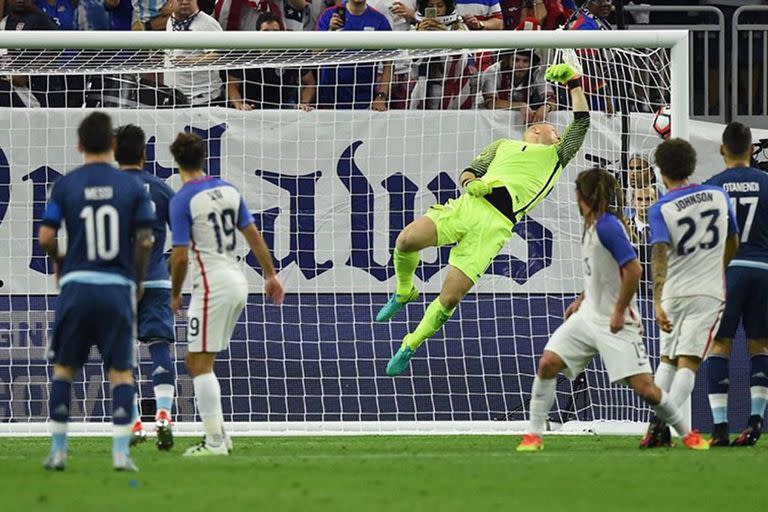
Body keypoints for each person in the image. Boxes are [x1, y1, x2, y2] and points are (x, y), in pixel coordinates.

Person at [377, 63, 589, 376]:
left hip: (495, 225)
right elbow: (469, 171)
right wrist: (469, 183)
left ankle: (411, 343)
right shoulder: (501, 146)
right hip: (468, 205)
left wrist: (574, 83)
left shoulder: (557, 155)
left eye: (553, 130)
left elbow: (581, 123)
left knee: (449, 298)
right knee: (406, 240)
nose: (549, 130)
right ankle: (404, 290)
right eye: (545, 128)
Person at [516, 168, 706, 452]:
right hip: (588, 316)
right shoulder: (592, 224)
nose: (576, 198)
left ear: (587, 195)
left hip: (616, 322)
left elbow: (633, 268)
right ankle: (534, 435)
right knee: (548, 363)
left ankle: (688, 434)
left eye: (578, 192)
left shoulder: (608, 226)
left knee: (646, 390)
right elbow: (602, 272)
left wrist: (618, 311)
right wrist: (582, 299)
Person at [39, 112, 155, 471]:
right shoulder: (133, 187)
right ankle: (120, 454)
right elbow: (146, 240)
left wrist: (61, 260)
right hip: (116, 287)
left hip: (76, 285)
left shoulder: (65, 185)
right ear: (113, 145)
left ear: (78, 145)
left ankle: (59, 451)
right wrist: (135, 280)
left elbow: (45, 237)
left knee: (63, 370)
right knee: (121, 372)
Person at [168, 132, 284, 456]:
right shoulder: (228, 189)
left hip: (211, 286)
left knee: (197, 362)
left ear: (176, 162)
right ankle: (220, 435)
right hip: (237, 280)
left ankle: (214, 442)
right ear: (203, 158)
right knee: (203, 359)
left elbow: (179, 257)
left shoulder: (182, 200)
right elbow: (253, 234)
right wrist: (270, 274)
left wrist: (174, 293)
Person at [641, 138, 740, 448]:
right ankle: (661, 425)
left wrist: (657, 299)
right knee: (689, 362)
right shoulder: (717, 194)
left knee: (667, 361)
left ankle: (654, 427)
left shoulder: (660, 208)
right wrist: (717, 268)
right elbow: (733, 240)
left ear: (660, 171)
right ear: (691, 166)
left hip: (673, 291)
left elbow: (658, 252)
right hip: (707, 292)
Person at [704, 122, 768, 447]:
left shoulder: (712, 187)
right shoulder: (767, 183)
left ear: (721, 149)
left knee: (719, 345)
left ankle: (719, 428)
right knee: (760, 345)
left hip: (726, 271)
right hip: (763, 268)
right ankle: (755, 422)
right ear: (752, 150)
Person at [114, 125, 177, 451]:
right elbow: (182, 235)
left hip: (118, 282)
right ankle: (164, 415)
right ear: (144, 153)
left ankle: (135, 420)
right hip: (155, 278)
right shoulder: (161, 188)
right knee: (159, 345)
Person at [227, 12, 316, 110]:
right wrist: (239, 104)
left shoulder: (293, 51)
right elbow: (232, 85)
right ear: (257, 33)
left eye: (275, 31)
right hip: (251, 103)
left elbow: (309, 83)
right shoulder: (245, 52)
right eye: (266, 31)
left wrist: (304, 103)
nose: (271, 36)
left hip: (285, 102)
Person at [316, 0, 392, 110]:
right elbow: (316, 53)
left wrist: (381, 96)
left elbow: (389, 63)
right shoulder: (329, 15)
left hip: (364, 100)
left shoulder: (379, 20)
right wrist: (330, 31)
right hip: (329, 99)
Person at [409, 0, 475, 110]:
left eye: (440, 5)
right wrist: (419, 37)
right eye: (430, 6)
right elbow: (411, 61)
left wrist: (447, 37)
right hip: (424, 86)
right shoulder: (417, 28)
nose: (436, 10)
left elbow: (466, 58)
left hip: (453, 87)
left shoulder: (458, 27)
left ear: (447, 7)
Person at [164, 0, 224, 106]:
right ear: (170, 3)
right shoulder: (171, 20)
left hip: (203, 99)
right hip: (175, 97)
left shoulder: (207, 23)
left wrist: (192, 61)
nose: (185, 2)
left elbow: (219, 54)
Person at [480, 49, 553, 123]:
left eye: (525, 61)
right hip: (491, 120)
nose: (521, 65)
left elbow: (552, 99)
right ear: (508, 61)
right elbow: (490, 103)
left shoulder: (536, 72)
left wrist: (546, 107)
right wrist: (520, 105)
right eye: (516, 60)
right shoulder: (493, 71)